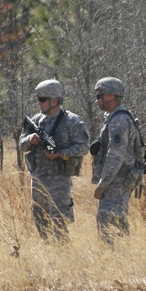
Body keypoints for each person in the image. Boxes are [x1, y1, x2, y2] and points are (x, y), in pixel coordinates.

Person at [18, 79, 90, 240]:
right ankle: (47, 249)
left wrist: (62, 153)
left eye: (42, 99)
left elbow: (84, 147)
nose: (39, 103)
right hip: (38, 177)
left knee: (59, 217)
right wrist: (30, 139)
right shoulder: (36, 120)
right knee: (39, 215)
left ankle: (62, 252)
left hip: (59, 177)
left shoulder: (72, 121)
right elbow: (21, 146)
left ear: (54, 100)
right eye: (39, 99)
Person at [91, 77, 146, 242]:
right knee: (117, 218)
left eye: (99, 96)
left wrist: (102, 185)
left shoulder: (119, 120)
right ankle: (122, 253)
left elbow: (115, 156)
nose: (97, 101)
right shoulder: (114, 117)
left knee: (107, 217)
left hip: (119, 179)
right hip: (120, 178)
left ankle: (113, 256)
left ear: (109, 96)